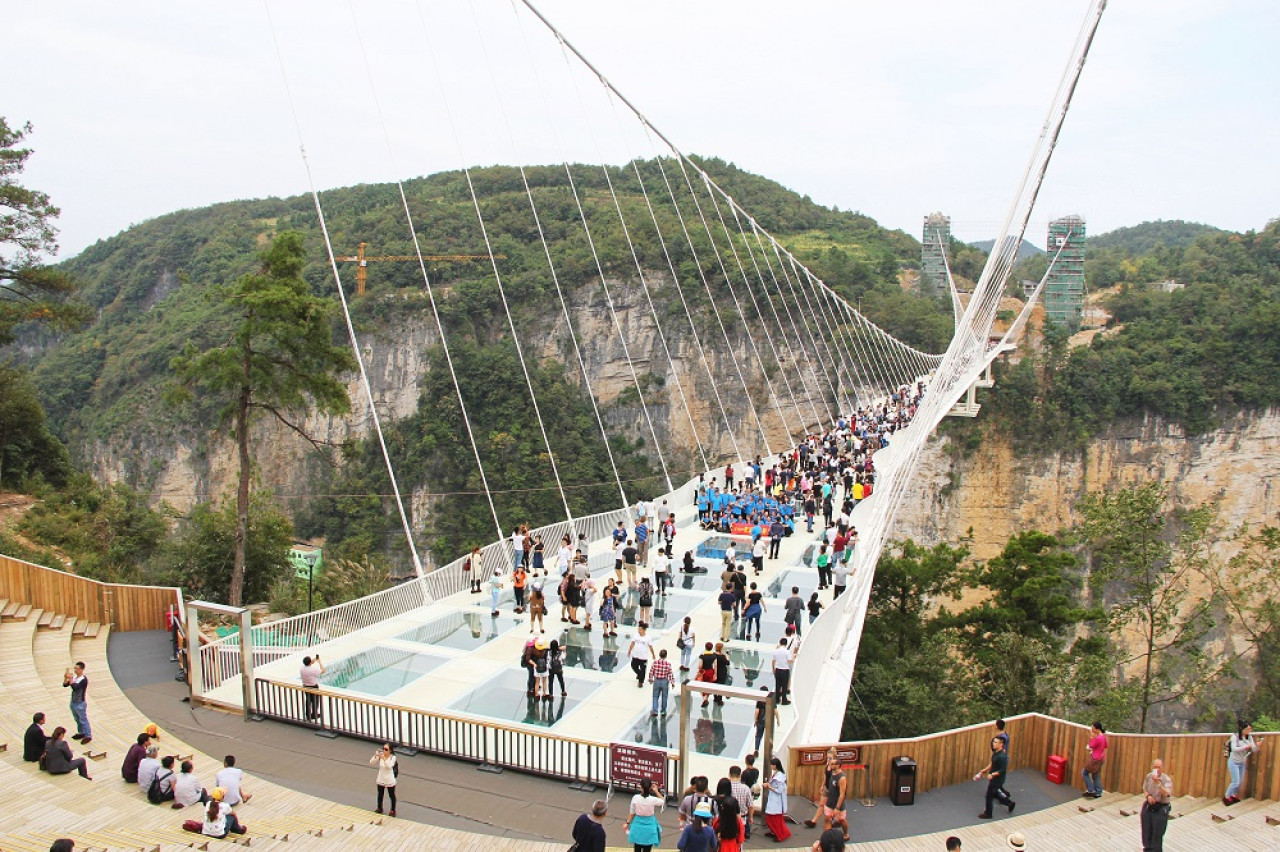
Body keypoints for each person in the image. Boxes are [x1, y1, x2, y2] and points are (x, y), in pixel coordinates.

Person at [974, 736, 1015, 819]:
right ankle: (1009, 803)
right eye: (993, 742)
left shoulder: (1002, 757)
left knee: (989, 796)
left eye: (996, 742)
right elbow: (992, 763)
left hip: (997, 780)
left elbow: (1003, 770)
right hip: (994, 778)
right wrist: (984, 770)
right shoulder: (995, 753)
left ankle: (988, 814)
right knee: (995, 794)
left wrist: (992, 774)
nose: (993, 744)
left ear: (1001, 744)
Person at [1224, 720, 1262, 805]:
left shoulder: (1249, 737)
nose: (1249, 731)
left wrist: (1258, 746)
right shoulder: (1235, 736)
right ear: (1242, 729)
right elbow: (1234, 748)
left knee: (1240, 781)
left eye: (1250, 729)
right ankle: (1227, 796)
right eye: (1247, 729)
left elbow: (1254, 750)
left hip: (1242, 761)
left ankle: (1234, 795)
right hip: (1234, 761)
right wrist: (1245, 747)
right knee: (1236, 781)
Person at [1141, 758, 1173, 852]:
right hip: (1150, 805)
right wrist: (1148, 796)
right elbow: (1144, 789)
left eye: (1159, 767)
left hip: (1161, 807)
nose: (1157, 769)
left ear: (1162, 769)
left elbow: (1167, 794)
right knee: (1146, 833)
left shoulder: (1166, 779)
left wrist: (1158, 783)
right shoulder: (1148, 776)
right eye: (1155, 767)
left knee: (1157, 835)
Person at [626, 777, 664, 852]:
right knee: (647, 848)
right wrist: (656, 791)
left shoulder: (635, 798)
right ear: (650, 787)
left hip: (637, 826)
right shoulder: (653, 800)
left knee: (637, 847)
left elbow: (632, 813)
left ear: (640, 786)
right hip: (650, 826)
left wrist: (627, 823)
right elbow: (662, 801)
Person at [62, 661, 91, 744]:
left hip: (80, 702)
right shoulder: (74, 677)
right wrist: (66, 677)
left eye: (77, 668)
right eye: (74, 668)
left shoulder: (83, 680)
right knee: (77, 719)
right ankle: (81, 732)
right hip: (73, 701)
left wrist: (70, 678)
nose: (75, 670)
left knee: (83, 719)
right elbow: (65, 685)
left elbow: (75, 687)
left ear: (82, 669)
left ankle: (88, 735)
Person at [763, 757, 791, 842]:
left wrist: (769, 787)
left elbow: (779, 790)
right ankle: (774, 832)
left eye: (772, 764)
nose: (771, 766)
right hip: (773, 799)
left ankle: (780, 834)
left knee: (774, 819)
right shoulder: (777, 774)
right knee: (770, 818)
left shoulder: (779, 777)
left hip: (776, 801)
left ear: (775, 765)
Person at [370, 743, 397, 817]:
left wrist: (384, 758)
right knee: (380, 794)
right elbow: (371, 762)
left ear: (390, 751)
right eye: (383, 749)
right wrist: (376, 756)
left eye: (386, 749)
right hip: (381, 777)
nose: (384, 751)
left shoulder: (393, 758)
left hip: (389, 779)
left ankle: (392, 810)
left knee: (391, 795)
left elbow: (389, 766)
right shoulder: (380, 756)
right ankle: (379, 807)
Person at [1082, 721, 1108, 798]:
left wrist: (1092, 737)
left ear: (1097, 729)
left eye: (1093, 728)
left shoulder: (1098, 738)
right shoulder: (1103, 736)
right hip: (1101, 758)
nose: (1091, 729)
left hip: (1095, 759)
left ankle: (1091, 790)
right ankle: (1098, 792)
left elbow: (1091, 745)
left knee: (1084, 772)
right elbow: (1106, 746)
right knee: (1095, 775)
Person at [729, 765, 755, 840]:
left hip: (728, 819)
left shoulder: (726, 786)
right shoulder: (746, 788)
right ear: (740, 775)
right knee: (740, 840)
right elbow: (751, 806)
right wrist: (751, 817)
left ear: (729, 775)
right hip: (742, 819)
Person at [649, 648, 674, 716]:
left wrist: (651, 678)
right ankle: (663, 711)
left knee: (655, 696)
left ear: (659, 655)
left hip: (656, 680)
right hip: (664, 681)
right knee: (664, 696)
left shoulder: (655, 662)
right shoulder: (668, 664)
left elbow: (651, 671)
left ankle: (655, 711)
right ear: (666, 656)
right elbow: (670, 673)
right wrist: (672, 682)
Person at [299, 654, 324, 721]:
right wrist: (320, 662)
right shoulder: (313, 669)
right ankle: (314, 714)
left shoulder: (302, 668)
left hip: (305, 686)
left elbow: (310, 663)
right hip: (313, 686)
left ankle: (308, 714)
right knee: (315, 701)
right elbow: (323, 671)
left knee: (308, 700)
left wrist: (315, 659)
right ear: (310, 662)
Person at [772, 637, 792, 705]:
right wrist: (794, 657)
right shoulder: (787, 652)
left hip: (777, 669)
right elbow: (789, 661)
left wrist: (773, 668)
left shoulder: (776, 651)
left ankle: (777, 699)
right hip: (785, 670)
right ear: (786, 644)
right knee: (784, 686)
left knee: (777, 685)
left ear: (780, 643)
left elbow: (773, 661)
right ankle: (784, 700)